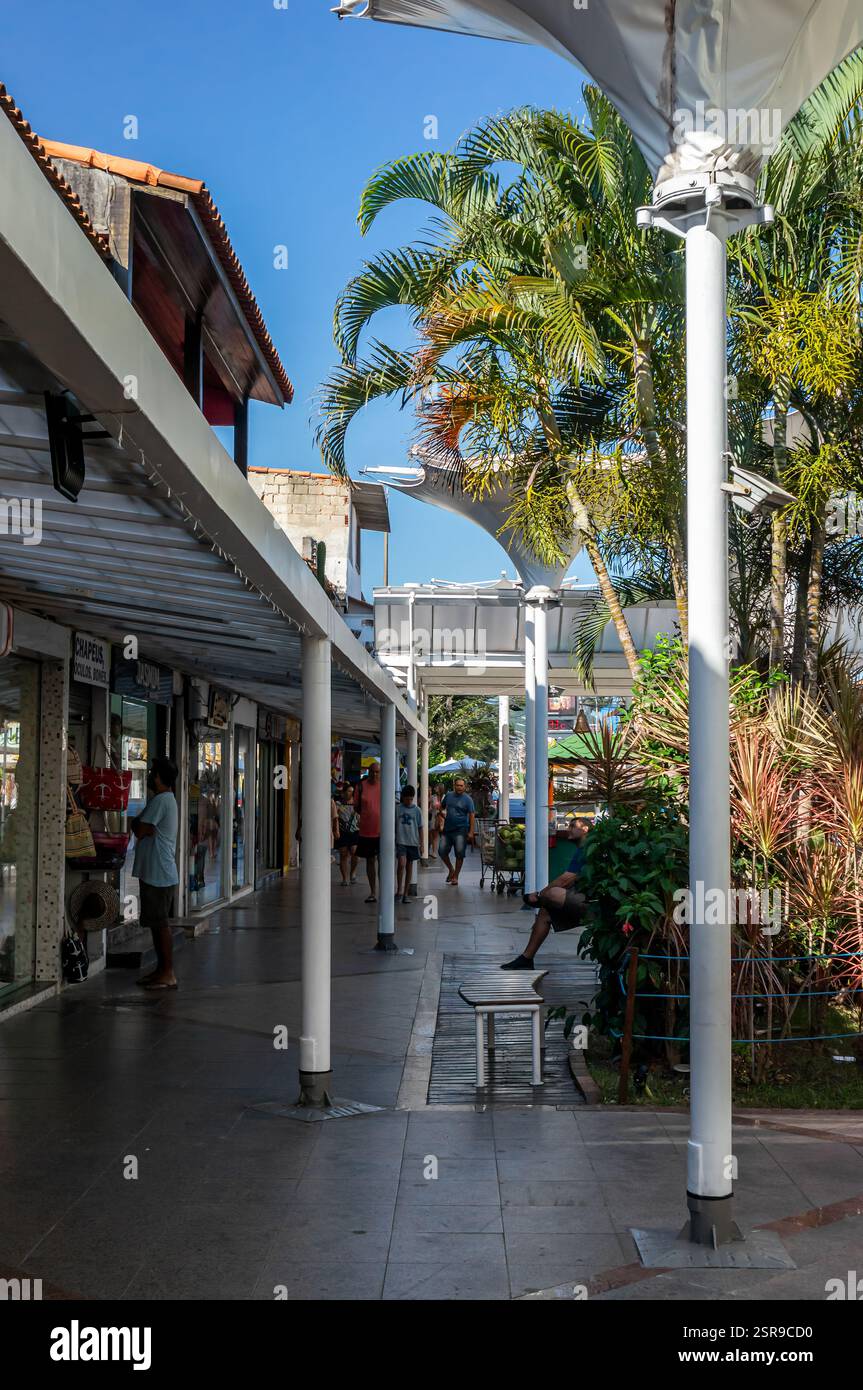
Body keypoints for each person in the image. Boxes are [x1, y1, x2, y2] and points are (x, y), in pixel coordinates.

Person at [501, 819, 590, 970]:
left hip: (594, 901)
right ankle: (526, 959)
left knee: (553, 893)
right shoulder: (582, 849)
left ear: (585, 829)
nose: (568, 829)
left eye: (572, 826)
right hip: (583, 897)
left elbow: (566, 879)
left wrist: (540, 895)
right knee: (545, 912)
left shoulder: (586, 848)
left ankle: (538, 899)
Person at [132, 756, 180, 990]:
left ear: (159, 777)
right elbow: (143, 828)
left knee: (160, 923)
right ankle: (161, 970)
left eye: (152, 772)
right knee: (155, 922)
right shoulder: (164, 800)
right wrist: (142, 825)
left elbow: (139, 829)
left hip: (158, 873)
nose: (150, 776)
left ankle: (168, 972)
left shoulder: (161, 800)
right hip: (156, 871)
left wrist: (139, 823)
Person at [438, 775, 476, 886]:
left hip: (461, 830)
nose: (459, 787)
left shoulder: (468, 799)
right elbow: (442, 806)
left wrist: (471, 831)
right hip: (448, 829)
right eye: (457, 785)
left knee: (459, 853)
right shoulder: (449, 796)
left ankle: (456, 876)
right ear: (454, 786)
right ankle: (451, 869)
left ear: (465, 787)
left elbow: (472, 815)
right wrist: (442, 814)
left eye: (461, 785)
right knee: (441, 851)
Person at [354, 761, 382, 903]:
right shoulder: (361, 786)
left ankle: (384, 890)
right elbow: (356, 807)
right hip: (366, 831)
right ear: (368, 772)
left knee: (383, 862)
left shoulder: (385, 785)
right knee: (370, 861)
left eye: (377, 772)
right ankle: (373, 892)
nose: (374, 774)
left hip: (382, 832)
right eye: (372, 772)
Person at [395, 784, 423, 905]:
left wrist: (421, 843)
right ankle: (399, 890)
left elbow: (420, 827)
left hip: (412, 841)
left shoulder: (417, 810)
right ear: (402, 797)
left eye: (411, 798)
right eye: (407, 798)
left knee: (409, 866)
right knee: (402, 863)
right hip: (401, 841)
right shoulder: (398, 809)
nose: (409, 801)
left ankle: (406, 892)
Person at [335, 780, 360, 886]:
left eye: (352, 791)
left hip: (355, 831)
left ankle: (353, 872)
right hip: (342, 831)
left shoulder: (356, 804)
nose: (351, 793)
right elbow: (334, 817)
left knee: (355, 852)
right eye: (349, 791)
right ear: (344, 792)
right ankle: (345, 878)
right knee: (343, 854)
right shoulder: (338, 804)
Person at [429, 782, 444, 857]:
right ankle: (434, 852)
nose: (435, 789)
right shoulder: (433, 797)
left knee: (443, 835)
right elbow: (430, 808)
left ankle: (443, 850)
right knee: (434, 835)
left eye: (436, 787)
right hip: (434, 817)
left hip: (443, 817)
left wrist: (441, 809)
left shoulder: (445, 797)